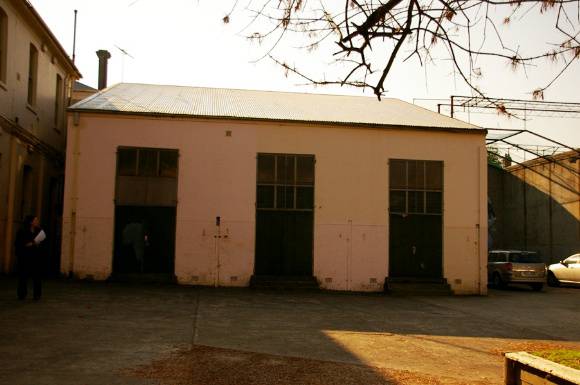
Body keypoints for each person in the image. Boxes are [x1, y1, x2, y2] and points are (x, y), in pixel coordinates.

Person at [15, 215, 45, 300]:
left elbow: (43, 241)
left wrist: (37, 244)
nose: (37, 221)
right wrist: (31, 244)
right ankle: (22, 294)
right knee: (23, 276)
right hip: (25, 256)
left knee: (37, 276)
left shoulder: (38, 231)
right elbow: (19, 244)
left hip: (35, 257)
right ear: (30, 222)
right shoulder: (22, 231)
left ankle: (37, 294)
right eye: (35, 220)